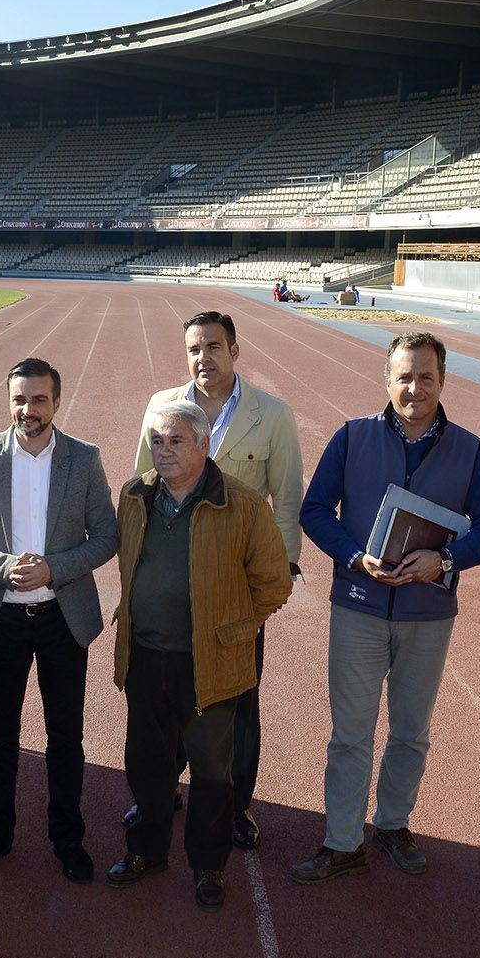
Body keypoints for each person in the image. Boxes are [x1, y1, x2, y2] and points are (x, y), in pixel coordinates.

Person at [291, 331, 480, 885]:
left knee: (411, 730)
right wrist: (351, 555)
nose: (415, 387)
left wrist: (446, 559)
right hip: (359, 606)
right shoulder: (352, 437)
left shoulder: (471, 449)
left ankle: (392, 824)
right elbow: (315, 510)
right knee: (350, 733)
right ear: (386, 380)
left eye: (426, 377)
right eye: (404, 376)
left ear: (442, 380)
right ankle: (343, 842)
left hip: (427, 615)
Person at [128, 310, 305, 851]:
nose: (204, 357)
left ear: (235, 350)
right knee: (162, 700)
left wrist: (270, 587)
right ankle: (163, 793)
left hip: (234, 597)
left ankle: (233, 805)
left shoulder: (272, 415)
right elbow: (142, 486)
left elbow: (287, 499)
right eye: (195, 348)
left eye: (214, 347)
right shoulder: (162, 409)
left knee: (236, 706)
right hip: (171, 591)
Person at [108, 400, 291, 912]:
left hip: (211, 664)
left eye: (176, 441)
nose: (164, 452)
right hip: (146, 657)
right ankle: (145, 851)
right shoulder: (135, 495)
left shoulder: (244, 504)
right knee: (146, 765)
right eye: (158, 441)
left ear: (204, 444)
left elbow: (274, 583)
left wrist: (232, 629)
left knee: (213, 776)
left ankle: (208, 866)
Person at [0, 358, 118, 885]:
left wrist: (54, 568)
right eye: (20, 399)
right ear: (10, 402)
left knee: (65, 738)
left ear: (57, 402)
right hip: (1, 620)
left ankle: (67, 839)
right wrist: (3, 567)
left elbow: (106, 536)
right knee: (0, 738)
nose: (29, 410)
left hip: (61, 620)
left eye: (39, 399)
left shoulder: (84, 459)